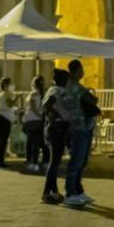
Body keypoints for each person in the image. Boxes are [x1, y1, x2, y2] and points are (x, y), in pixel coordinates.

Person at [62, 60, 97, 206]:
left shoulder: (72, 86)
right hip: (79, 126)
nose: (83, 72)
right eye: (81, 69)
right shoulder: (75, 87)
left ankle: (78, 190)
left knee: (82, 160)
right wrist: (90, 93)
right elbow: (93, 99)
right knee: (77, 160)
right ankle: (70, 192)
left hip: (84, 125)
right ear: (76, 70)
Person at [41, 68, 72, 204]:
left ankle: (53, 192)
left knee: (55, 162)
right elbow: (47, 104)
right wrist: (54, 115)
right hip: (57, 128)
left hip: (55, 128)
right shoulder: (57, 91)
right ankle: (46, 193)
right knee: (54, 162)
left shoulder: (53, 90)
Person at [22, 76, 49, 173]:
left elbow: (32, 106)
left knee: (33, 143)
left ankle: (34, 163)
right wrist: (42, 116)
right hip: (41, 120)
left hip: (32, 120)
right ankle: (45, 162)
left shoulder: (33, 94)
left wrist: (38, 114)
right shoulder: (45, 93)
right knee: (42, 142)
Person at [0, 77, 18, 168]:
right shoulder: (6, 93)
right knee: (3, 141)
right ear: (7, 85)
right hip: (4, 119)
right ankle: (0, 161)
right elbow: (10, 104)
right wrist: (16, 98)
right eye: (11, 83)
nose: (12, 85)